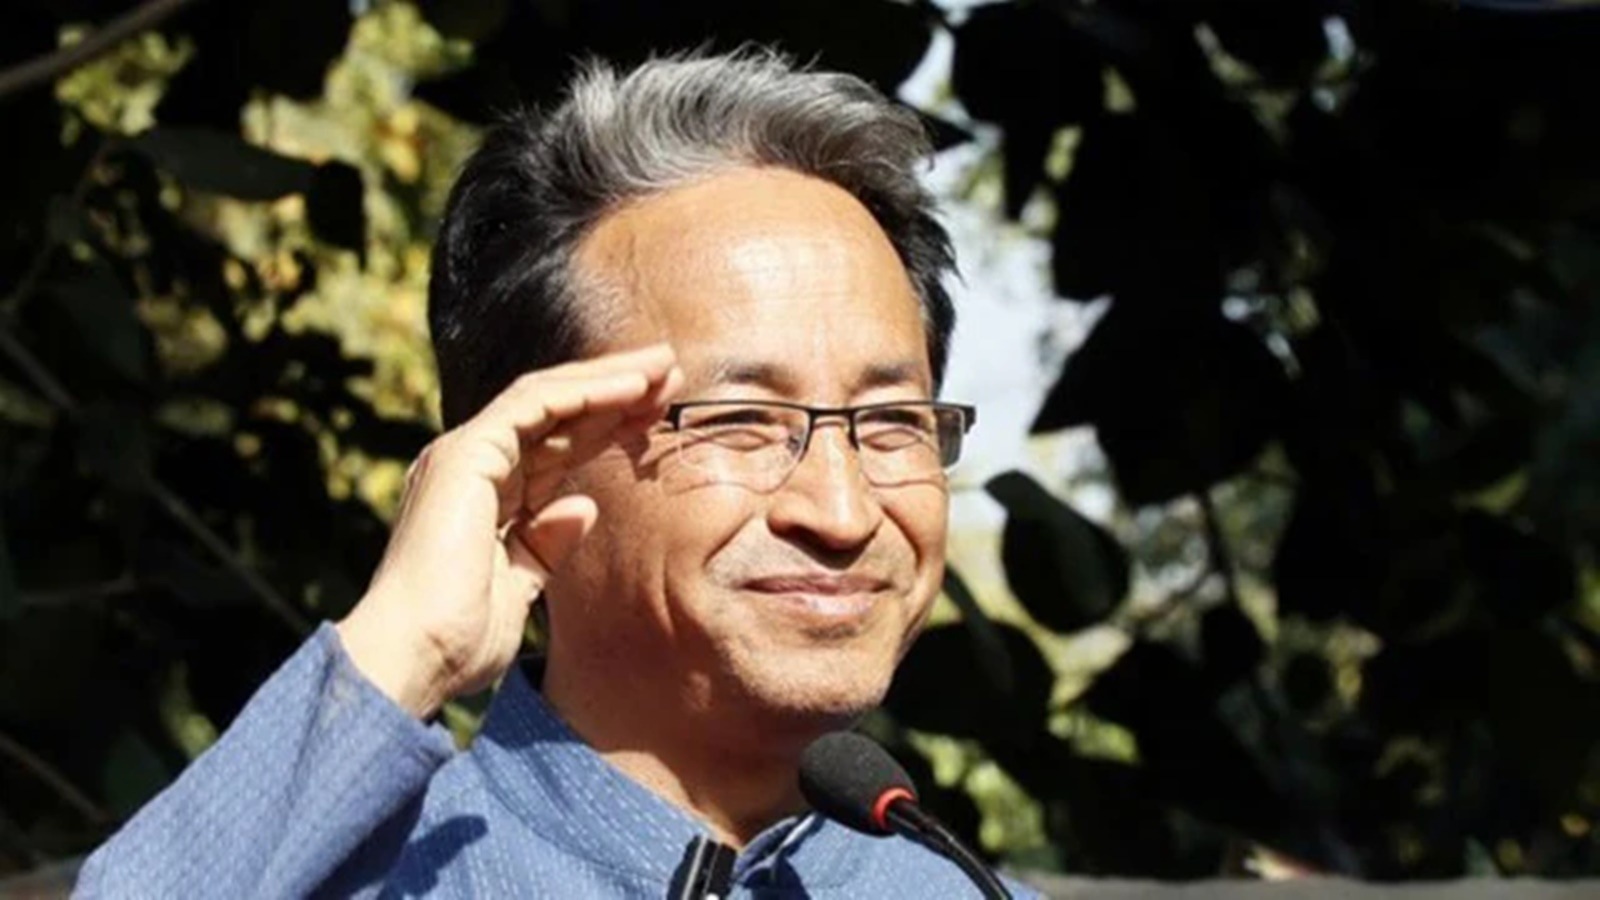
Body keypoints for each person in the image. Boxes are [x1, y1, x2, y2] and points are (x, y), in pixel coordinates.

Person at [75, 49, 1032, 898]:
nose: (842, 509)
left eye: (891, 421)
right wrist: (404, 647)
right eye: (741, 421)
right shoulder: (385, 878)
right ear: (534, 460)